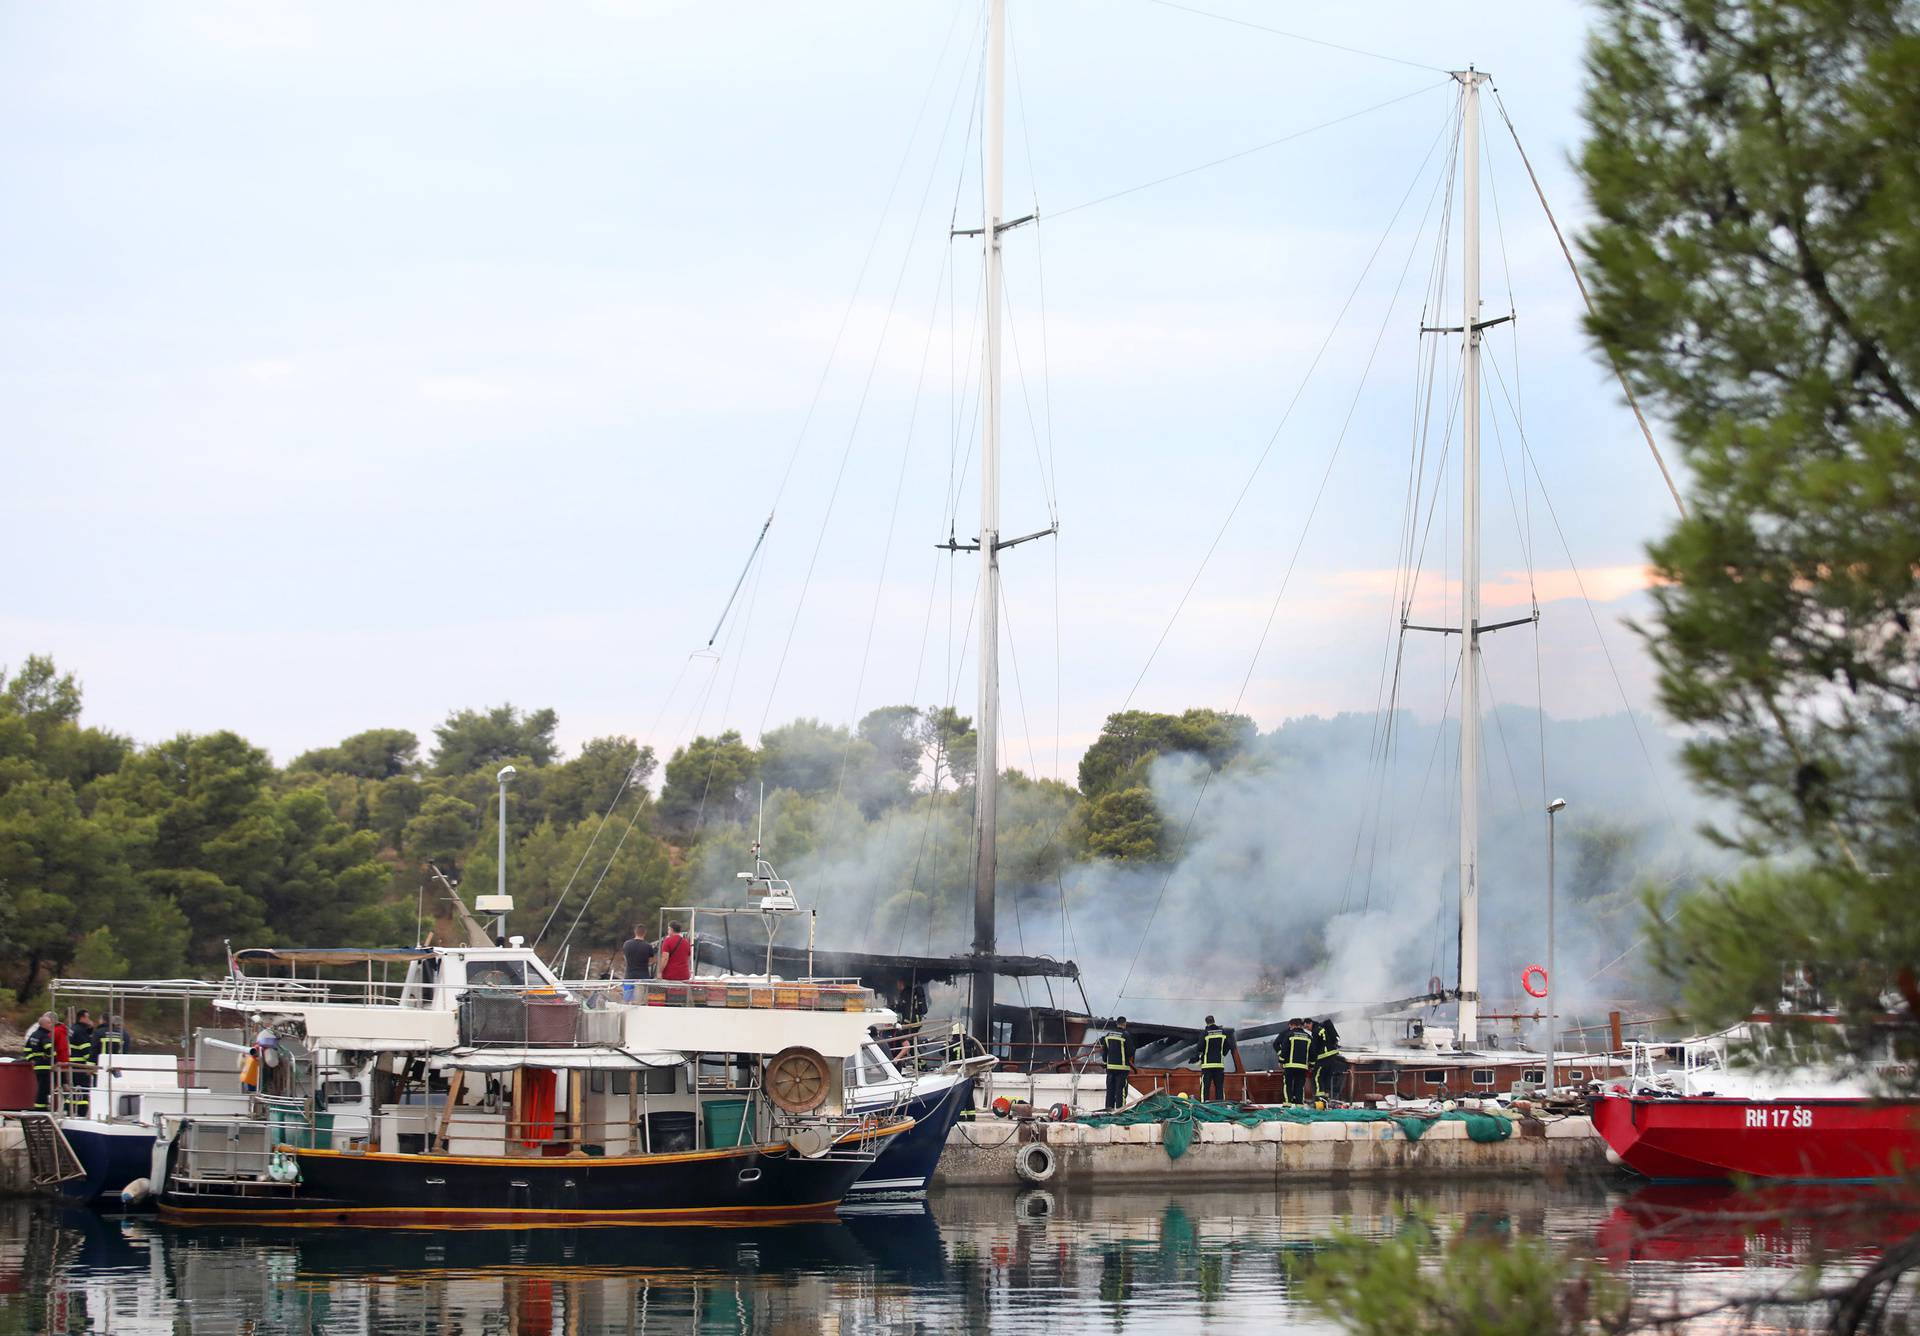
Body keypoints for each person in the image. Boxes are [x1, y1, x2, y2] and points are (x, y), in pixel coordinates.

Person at [23, 1012, 55, 1111]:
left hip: (37, 1066)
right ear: (43, 1024)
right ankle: (41, 1108)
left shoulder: (34, 1035)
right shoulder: (45, 1036)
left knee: (42, 1087)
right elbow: (50, 1049)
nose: (51, 1025)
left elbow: (27, 1049)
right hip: (45, 1066)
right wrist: (53, 1057)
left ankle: (41, 1107)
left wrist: (31, 1059)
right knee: (44, 1089)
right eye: (49, 1023)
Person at [1102, 1018, 1135, 1111]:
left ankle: (1109, 1110)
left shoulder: (1108, 1035)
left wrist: (1105, 1063)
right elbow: (1131, 1051)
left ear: (1117, 1024)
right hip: (1122, 1068)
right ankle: (1120, 1111)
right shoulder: (1125, 1035)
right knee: (1121, 1091)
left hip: (1110, 1068)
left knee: (1110, 1090)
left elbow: (1104, 1051)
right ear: (1125, 1024)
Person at [1279, 1017, 1314, 1105]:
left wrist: (1281, 1062)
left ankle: (1287, 1104)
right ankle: (1299, 1106)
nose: (1290, 1028)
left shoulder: (1289, 1035)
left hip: (1289, 1066)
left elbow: (1284, 1050)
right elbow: (1312, 1053)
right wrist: (1311, 1065)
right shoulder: (1308, 1037)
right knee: (1300, 1086)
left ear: (1293, 1025)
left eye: (1290, 1026)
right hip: (1302, 1067)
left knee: (1288, 1085)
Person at [1312, 1017, 1347, 1103]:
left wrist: (1312, 1062)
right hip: (1332, 1059)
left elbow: (1315, 1047)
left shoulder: (1317, 1031)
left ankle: (1319, 1100)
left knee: (1318, 1077)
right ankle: (1326, 1098)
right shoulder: (1329, 1035)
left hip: (1323, 1060)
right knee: (1327, 1078)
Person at [68, 1009, 95, 1117]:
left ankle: (69, 1110)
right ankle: (82, 1113)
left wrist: (90, 1029)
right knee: (83, 1090)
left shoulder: (73, 1028)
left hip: (73, 1064)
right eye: (88, 1017)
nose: (89, 1020)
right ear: (83, 1018)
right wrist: (92, 1064)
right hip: (80, 1065)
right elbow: (85, 1048)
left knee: (74, 1089)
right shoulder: (80, 1031)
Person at [1199, 1015, 1231, 1103]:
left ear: (1206, 1022)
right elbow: (1228, 1046)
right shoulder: (1223, 1032)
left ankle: (1204, 1105)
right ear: (1214, 1021)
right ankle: (1220, 1105)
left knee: (1205, 1088)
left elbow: (1199, 1048)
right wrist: (1222, 1054)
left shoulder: (1205, 1033)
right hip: (1219, 1065)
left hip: (1207, 1065)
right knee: (1219, 1087)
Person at [619, 926, 656, 997]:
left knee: (627, 997)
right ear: (645, 933)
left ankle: (627, 1004)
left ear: (635, 932)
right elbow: (652, 961)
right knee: (642, 997)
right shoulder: (648, 946)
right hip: (643, 975)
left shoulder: (626, 944)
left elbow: (625, 958)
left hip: (629, 975)